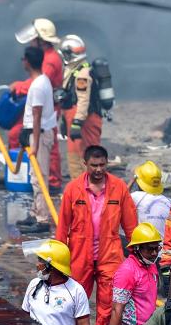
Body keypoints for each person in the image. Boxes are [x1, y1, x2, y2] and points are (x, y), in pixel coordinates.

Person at [53, 145, 138, 325]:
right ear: (85, 164)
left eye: (102, 165)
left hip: (110, 255)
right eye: (94, 165)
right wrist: (56, 260)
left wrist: (136, 257)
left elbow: (131, 227)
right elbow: (63, 227)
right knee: (74, 301)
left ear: (107, 163)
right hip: (79, 256)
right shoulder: (73, 189)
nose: (99, 169)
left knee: (108, 303)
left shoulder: (119, 188)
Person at [21, 239, 93, 325]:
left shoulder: (76, 291)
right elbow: (24, 319)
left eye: (40, 261)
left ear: (51, 266)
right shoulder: (34, 284)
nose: (37, 265)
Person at [16, 18, 64, 193]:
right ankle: (23, 174)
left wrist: (18, 87)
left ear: (41, 40)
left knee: (48, 145)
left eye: (34, 38)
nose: (31, 41)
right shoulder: (47, 57)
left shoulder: (50, 60)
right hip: (44, 105)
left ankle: (52, 182)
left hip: (46, 108)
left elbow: (40, 83)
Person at [14, 46, 58, 234]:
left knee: (39, 178)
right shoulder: (41, 81)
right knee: (35, 176)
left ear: (27, 61)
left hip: (38, 134)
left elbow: (37, 115)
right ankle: (35, 212)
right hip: (35, 132)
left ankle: (42, 220)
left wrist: (35, 144)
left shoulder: (39, 85)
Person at [60, 34, 104, 180]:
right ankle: (79, 190)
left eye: (65, 53)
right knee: (74, 157)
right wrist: (64, 121)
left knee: (87, 158)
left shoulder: (82, 74)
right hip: (75, 118)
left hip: (85, 121)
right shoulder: (74, 70)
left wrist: (77, 123)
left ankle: (90, 194)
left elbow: (83, 101)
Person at [131, 160, 171, 237]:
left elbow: (120, 197)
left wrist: (132, 180)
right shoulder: (169, 201)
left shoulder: (136, 197)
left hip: (146, 245)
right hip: (165, 245)